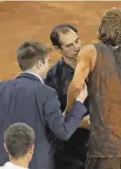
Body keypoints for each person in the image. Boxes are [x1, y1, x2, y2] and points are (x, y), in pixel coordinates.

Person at [0, 40, 88, 169]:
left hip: (2, 163)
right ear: (40, 64)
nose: (48, 66)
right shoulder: (47, 93)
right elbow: (63, 132)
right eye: (47, 62)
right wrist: (79, 103)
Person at [65, 8, 121, 169]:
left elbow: (75, 86)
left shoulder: (90, 51)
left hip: (105, 149)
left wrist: (69, 111)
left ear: (102, 28)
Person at [45, 24, 90, 169]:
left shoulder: (95, 64)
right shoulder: (53, 79)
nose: (76, 47)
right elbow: (52, 119)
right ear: (58, 49)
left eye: (77, 41)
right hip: (71, 151)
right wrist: (80, 122)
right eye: (69, 45)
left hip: (99, 144)